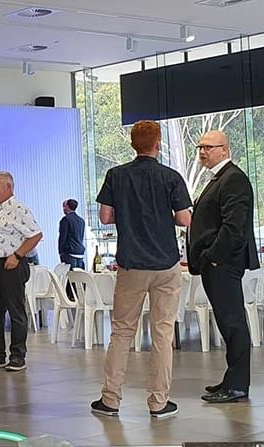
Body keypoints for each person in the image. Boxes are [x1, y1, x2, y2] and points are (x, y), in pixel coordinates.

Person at [89, 121, 193, 420]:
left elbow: (106, 217)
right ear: (157, 144)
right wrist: (163, 216)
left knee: (122, 332)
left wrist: (130, 212)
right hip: (166, 263)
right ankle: (159, 402)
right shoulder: (171, 177)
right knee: (162, 332)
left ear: (133, 143)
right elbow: (185, 219)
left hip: (132, 263)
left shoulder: (116, 176)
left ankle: (110, 399)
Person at [188, 129, 258, 404]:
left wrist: (213, 256)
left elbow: (234, 226)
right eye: (200, 147)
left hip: (224, 263)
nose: (203, 151)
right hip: (216, 263)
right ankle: (233, 379)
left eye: (209, 147)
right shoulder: (220, 178)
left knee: (233, 322)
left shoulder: (233, 179)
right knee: (227, 322)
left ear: (224, 150)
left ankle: (238, 384)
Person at [0, 171, 42, 373]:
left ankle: (17, 355)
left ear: (9, 187)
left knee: (15, 311)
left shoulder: (19, 209)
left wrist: (18, 255)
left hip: (11, 263)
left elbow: (36, 235)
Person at [58, 199, 87, 270]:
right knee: (79, 277)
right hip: (80, 252)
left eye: (64, 206)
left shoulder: (66, 220)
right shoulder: (81, 221)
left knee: (70, 277)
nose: (63, 209)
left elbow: (62, 237)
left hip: (70, 252)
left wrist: (61, 252)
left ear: (67, 207)